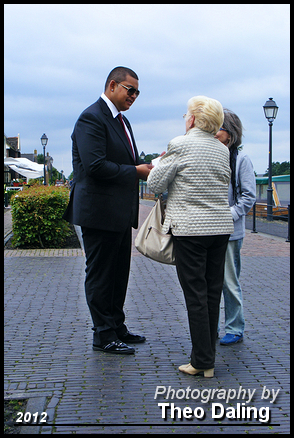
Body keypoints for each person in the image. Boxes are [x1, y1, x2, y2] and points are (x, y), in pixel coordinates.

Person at [63, 66, 152, 354]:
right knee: (101, 274)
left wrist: (146, 167)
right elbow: (95, 166)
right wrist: (136, 172)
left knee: (119, 273)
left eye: (138, 92)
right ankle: (103, 334)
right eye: (130, 90)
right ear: (113, 85)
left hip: (118, 212)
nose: (134, 96)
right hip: (98, 212)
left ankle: (116, 326)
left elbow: (124, 161)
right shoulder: (91, 118)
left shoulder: (123, 122)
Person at [147, 96, 234, 377]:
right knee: (212, 291)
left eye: (186, 114)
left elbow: (155, 183)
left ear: (194, 118)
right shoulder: (222, 149)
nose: (185, 118)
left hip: (191, 230)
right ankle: (206, 358)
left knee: (195, 294)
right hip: (220, 229)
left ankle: (202, 361)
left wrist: (159, 164)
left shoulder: (180, 144)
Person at [215, 109, 256, 345]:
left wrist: (227, 215)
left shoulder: (241, 160)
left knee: (229, 282)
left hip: (230, 232)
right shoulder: (212, 156)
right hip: (210, 229)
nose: (214, 132)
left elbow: (248, 197)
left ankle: (234, 327)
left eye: (218, 128)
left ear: (230, 133)